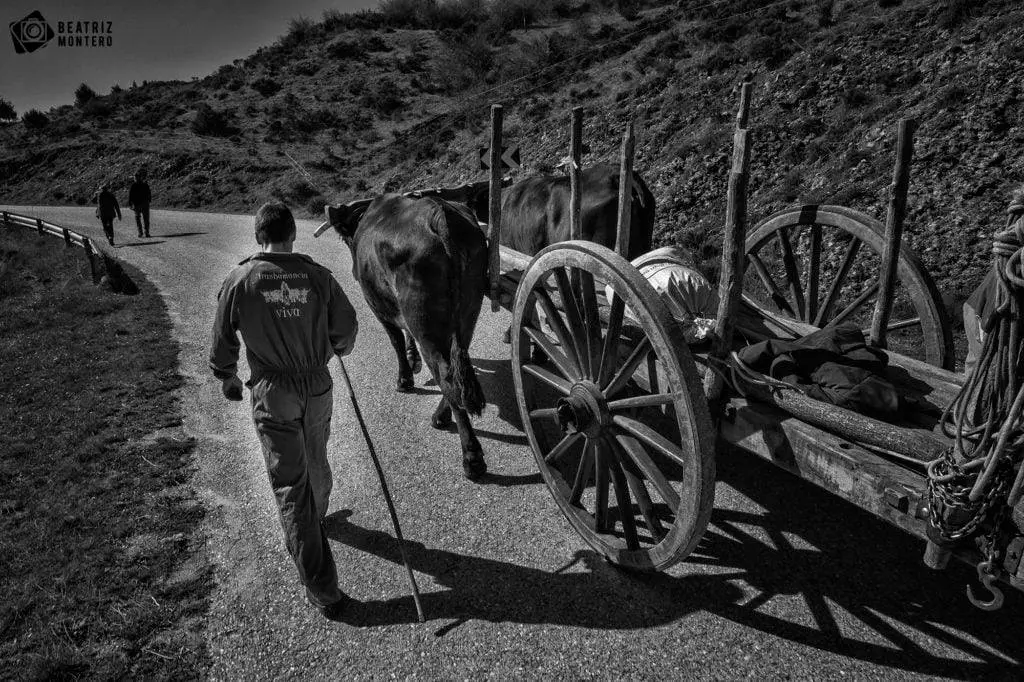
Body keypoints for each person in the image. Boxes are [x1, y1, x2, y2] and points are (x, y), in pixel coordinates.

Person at [208, 201, 359, 620]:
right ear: (293, 234)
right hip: (317, 386)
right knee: (315, 458)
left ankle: (323, 587)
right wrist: (332, 348)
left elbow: (223, 342)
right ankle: (316, 520)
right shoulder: (316, 274)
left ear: (259, 237)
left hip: (273, 390)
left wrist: (228, 376)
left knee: (291, 485)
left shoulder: (240, 279)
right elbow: (346, 331)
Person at [128, 171, 152, 238]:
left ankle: (140, 232)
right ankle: (146, 232)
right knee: (145, 218)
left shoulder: (133, 185)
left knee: (138, 218)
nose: (135, 178)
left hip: (137, 204)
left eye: (135, 177)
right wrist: (149, 200)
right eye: (135, 177)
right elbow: (149, 193)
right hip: (144, 204)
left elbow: (130, 195)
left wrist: (130, 203)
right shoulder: (145, 184)